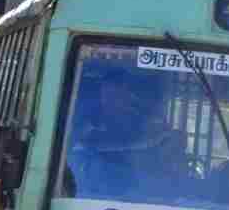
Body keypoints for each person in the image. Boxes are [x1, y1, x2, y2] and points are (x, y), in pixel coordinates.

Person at [66, 64, 190, 202]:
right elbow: (71, 145)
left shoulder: (143, 120)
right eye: (107, 92)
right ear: (101, 92)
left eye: (118, 93)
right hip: (86, 190)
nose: (111, 98)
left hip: (132, 192)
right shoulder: (88, 118)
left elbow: (166, 147)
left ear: (127, 94)